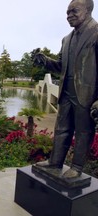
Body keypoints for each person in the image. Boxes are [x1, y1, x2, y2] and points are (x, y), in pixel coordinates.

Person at [33, 0, 98, 179]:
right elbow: (61, 65)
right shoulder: (66, 39)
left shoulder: (96, 33)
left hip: (87, 95)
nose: (69, 15)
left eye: (73, 11)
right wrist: (45, 61)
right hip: (66, 93)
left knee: (84, 131)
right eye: (67, 12)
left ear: (88, 10)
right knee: (61, 128)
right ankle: (55, 162)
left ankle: (77, 168)